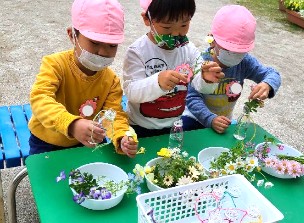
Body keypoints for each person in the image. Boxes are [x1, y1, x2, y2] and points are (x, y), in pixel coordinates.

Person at [28, 0, 138, 157]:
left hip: (88, 140)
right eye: (94, 42)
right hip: (48, 142)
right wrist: (72, 124)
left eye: (112, 46)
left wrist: (122, 136)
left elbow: (113, 115)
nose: (103, 52)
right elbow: (40, 99)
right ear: (72, 35)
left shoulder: (111, 81)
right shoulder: (55, 65)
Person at [122, 0, 223, 138]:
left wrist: (207, 79)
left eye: (184, 25)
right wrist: (157, 82)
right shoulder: (137, 51)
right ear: (147, 19)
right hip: (140, 126)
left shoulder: (188, 50)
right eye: (167, 27)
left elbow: (201, 86)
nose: (176, 33)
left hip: (174, 125)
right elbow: (131, 91)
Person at [182, 5, 281, 133]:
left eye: (241, 51)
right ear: (212, 40)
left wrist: (267, 84)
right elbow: (192, 97)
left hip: (223, 122)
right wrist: (210, 119)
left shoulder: (244, 62)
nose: (235, 55)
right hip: (195, 118)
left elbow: (272, 73)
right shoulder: (202, 63)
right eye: (228, 50)